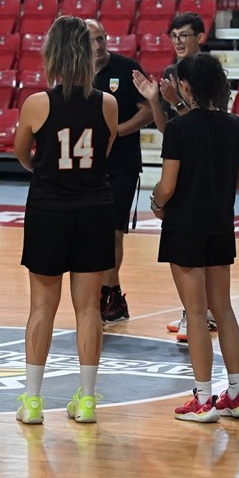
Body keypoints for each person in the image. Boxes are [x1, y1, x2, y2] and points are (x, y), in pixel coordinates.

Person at [135, 54, 239, 422]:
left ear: (185, 87)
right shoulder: (234, 124)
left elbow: (167, 187)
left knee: (197, 315)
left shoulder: (179, 130)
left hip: (185, 226)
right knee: (224, 308)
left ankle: (203, 399)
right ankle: (236, 395)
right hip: (220, 225)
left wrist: (155, 201)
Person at [14, 16, 118, 426]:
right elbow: (105, 149)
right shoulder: (107, 104)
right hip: (94, 206)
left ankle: (34, 402)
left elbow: (23, 153)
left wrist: (44, 169)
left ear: (52, 54)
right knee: (88, 308)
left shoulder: (38, 103)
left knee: (42, 306)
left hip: (48, 208)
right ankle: (88, 400)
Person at [146, 12, 219, 340]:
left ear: (200, 37)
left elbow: (205, 124)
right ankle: (194, 310)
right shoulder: (171, 73)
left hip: (204, 168)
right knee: (186, 252)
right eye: (173, 35)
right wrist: (154, 102)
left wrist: (176, 104)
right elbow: (170, 130)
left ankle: (201, 313)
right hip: (180, 161)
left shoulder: (210, 72)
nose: (177, 40)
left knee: (196, 246)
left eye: (184, 34)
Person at [86, 19, 155, 325]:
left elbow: (149, 110)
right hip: (88, 165)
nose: (99, 46)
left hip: (123, 164)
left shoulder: (127, 69)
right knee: (92, 233)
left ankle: (107, 295)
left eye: (102, 39)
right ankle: (111, 292)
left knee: (114, 232)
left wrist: (117, 132)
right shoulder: (78, 73)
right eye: (93, 41)